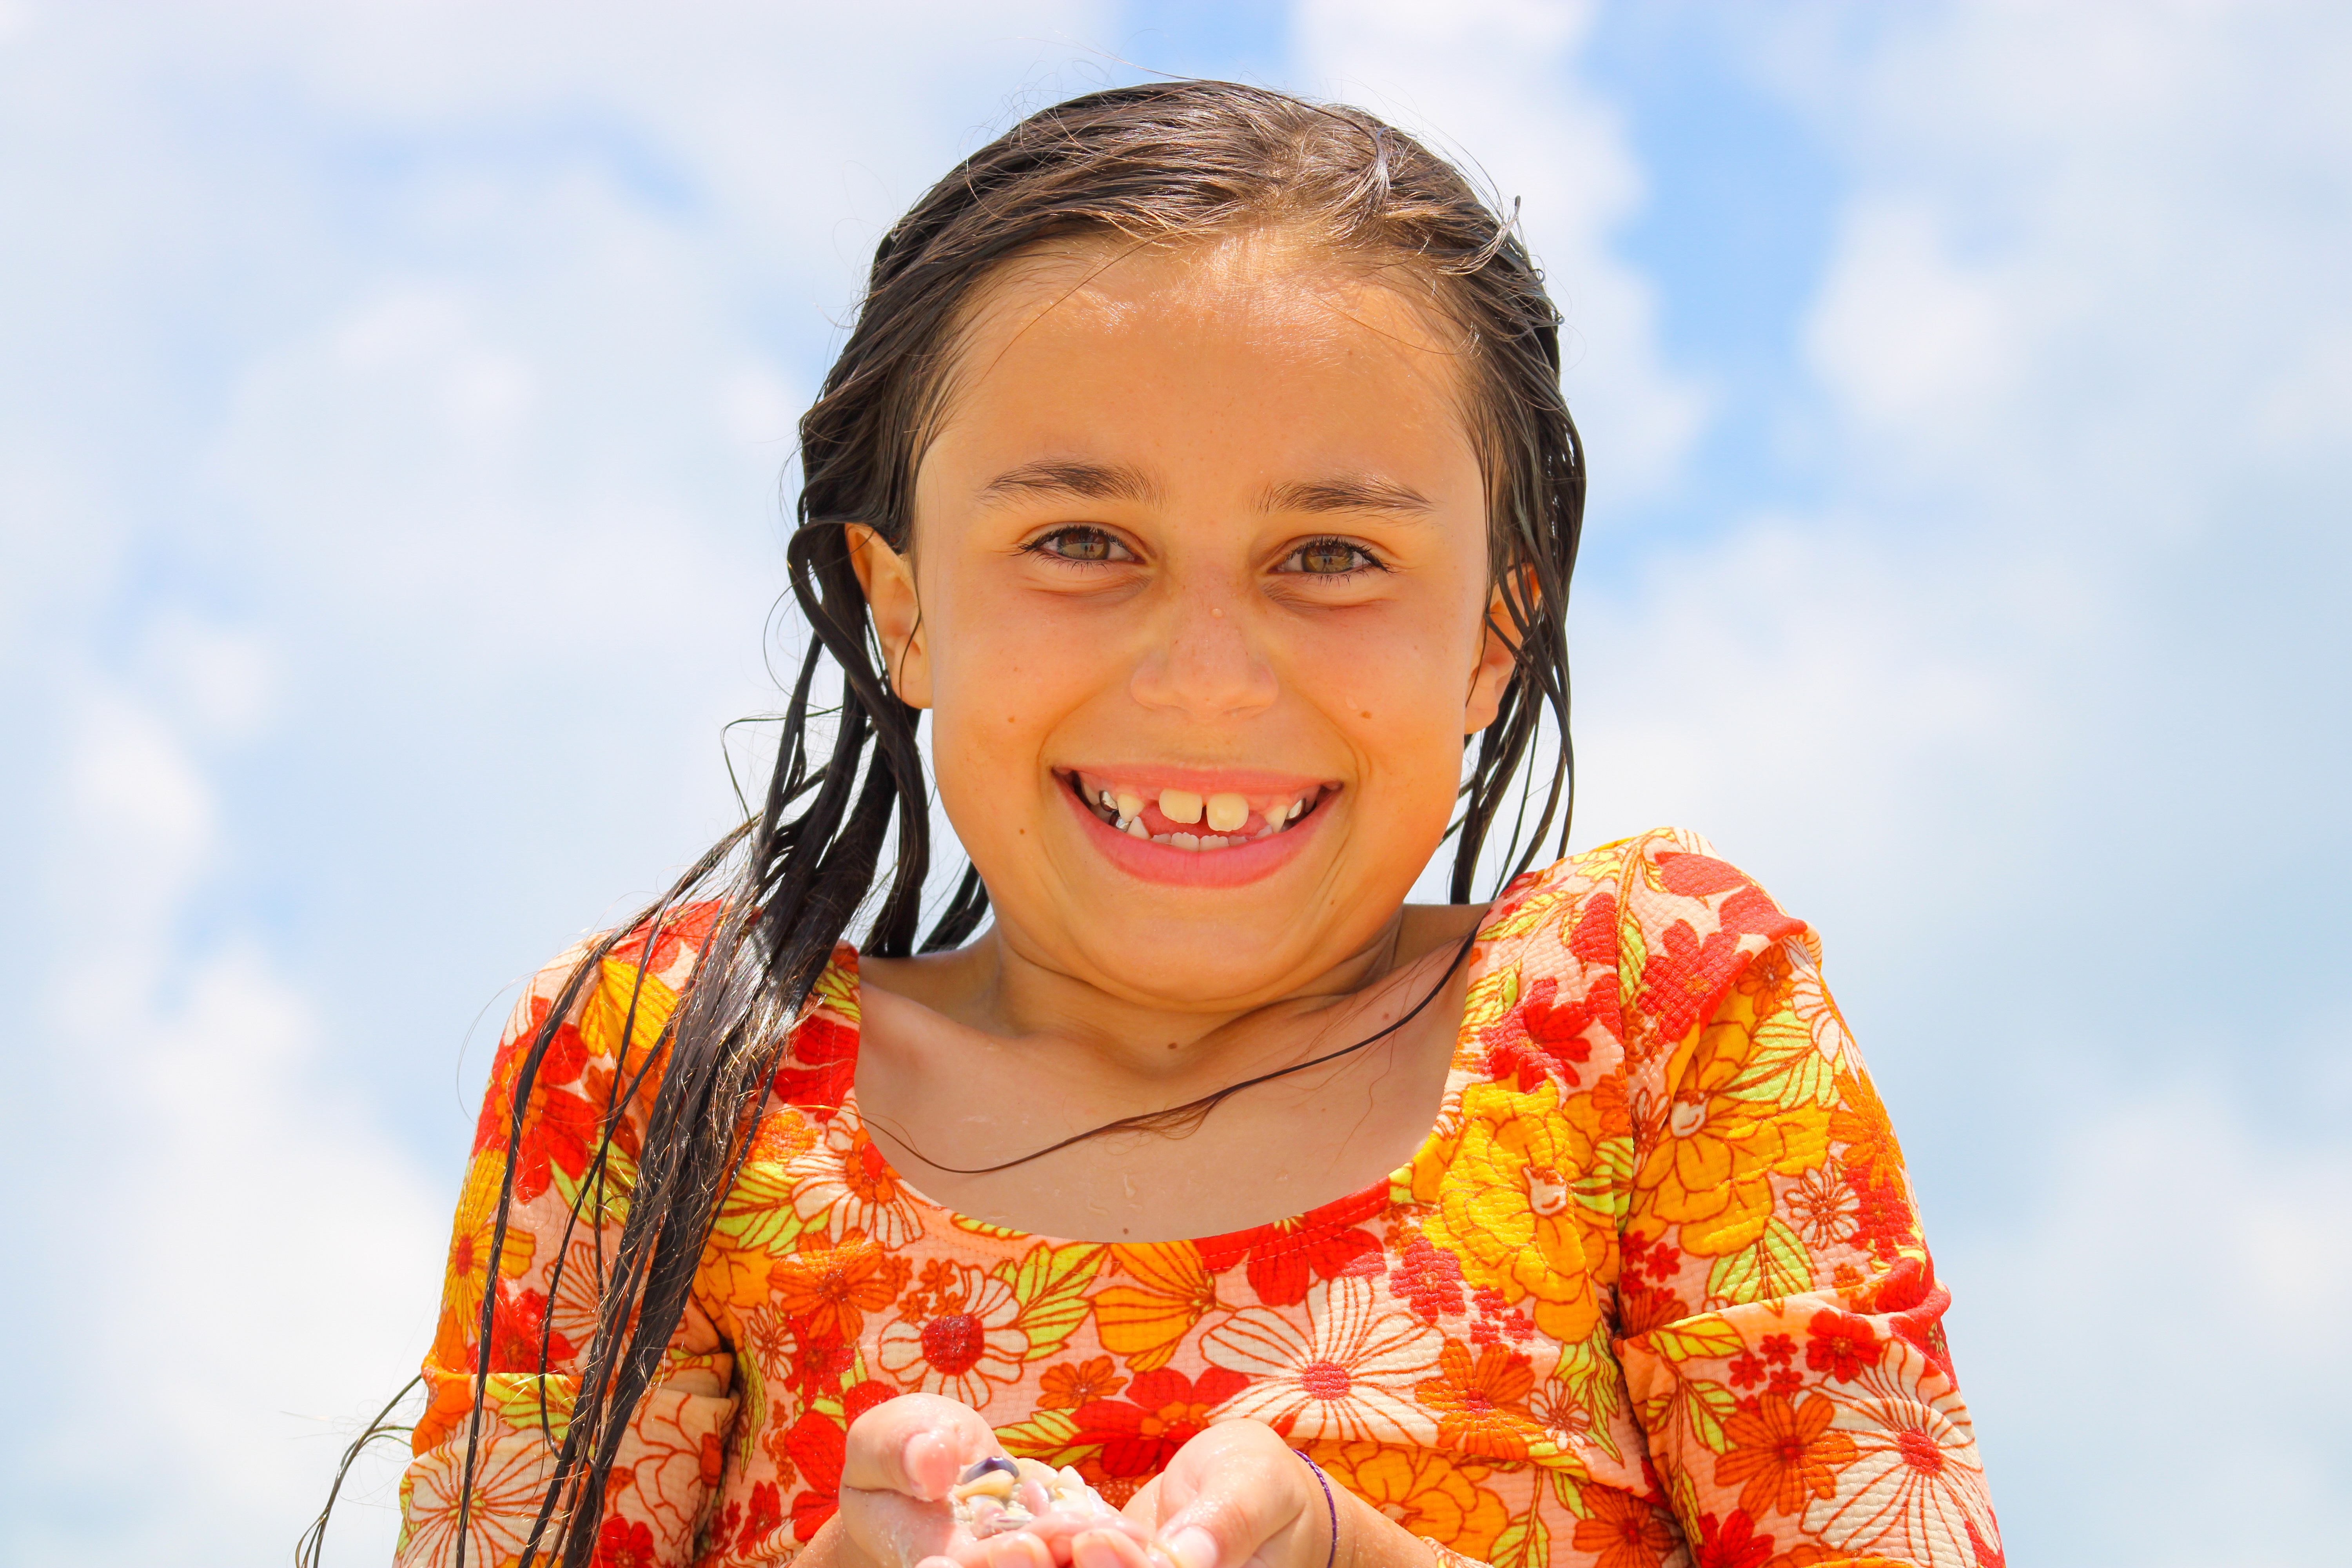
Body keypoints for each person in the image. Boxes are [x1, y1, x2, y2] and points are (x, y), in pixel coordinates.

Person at [390, 81, 1999, 1568]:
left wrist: (1350, 1552)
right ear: (904, 608)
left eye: (1334, 557)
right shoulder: (673, 1080)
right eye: (1082, 539)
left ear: (1493, 638)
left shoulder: (1646, 1023)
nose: (1209, 683)